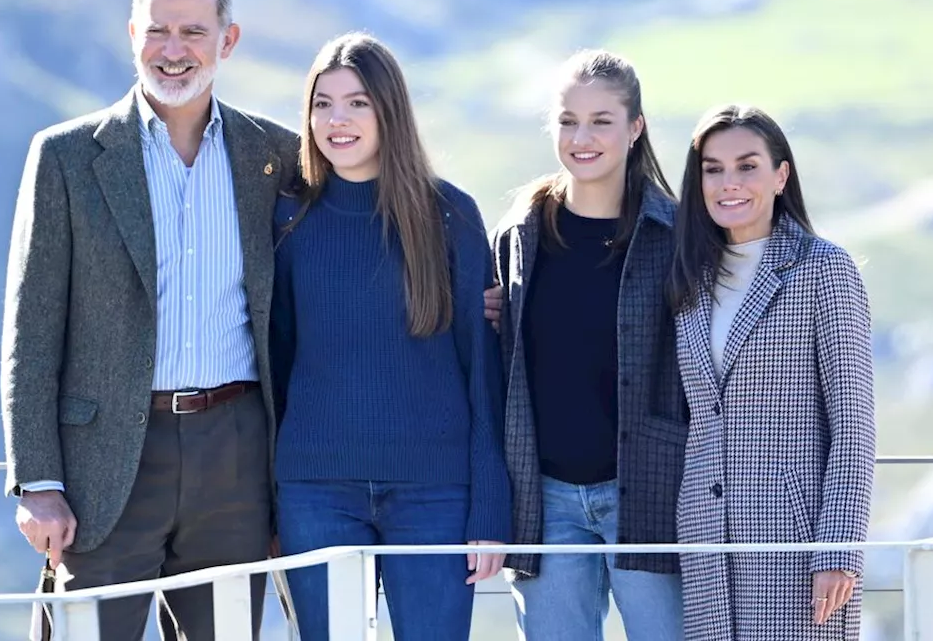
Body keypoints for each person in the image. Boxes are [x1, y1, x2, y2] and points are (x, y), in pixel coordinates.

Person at [0, 0, 300, 638]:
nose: (174, 49)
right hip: (104, 466)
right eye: (158, 30)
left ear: (229, 39)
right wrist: (38, 480)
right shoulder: (66, 158)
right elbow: (32, 329)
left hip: (236, 458)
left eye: (193, 31)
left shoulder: (276, 156)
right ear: (132, 34)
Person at [269, 32, 512, 641]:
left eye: (357, 102)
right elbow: (276, 358)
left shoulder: (450, 215)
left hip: (434, 492)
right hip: (315, 492)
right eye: (323, 103)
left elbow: (481, 372)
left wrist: (489, 506)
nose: (337, 119)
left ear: (389, 111)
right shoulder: (287, 217)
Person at [487, 49, 688, 641]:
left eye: (602, 120)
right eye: (569, 120)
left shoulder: (675, 236)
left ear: (635, 128)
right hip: (545, 501)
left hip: (648, 495)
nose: (583, 136)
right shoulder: (518, 236)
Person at [668, 104, 876, 640]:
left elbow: (854, 426)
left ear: (781, 175)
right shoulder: (691, 280)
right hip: (705, 546)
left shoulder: (824, 268)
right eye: (713, 169)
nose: (728, 183)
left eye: (747, 166)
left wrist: (838, 549)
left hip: (795, 545)